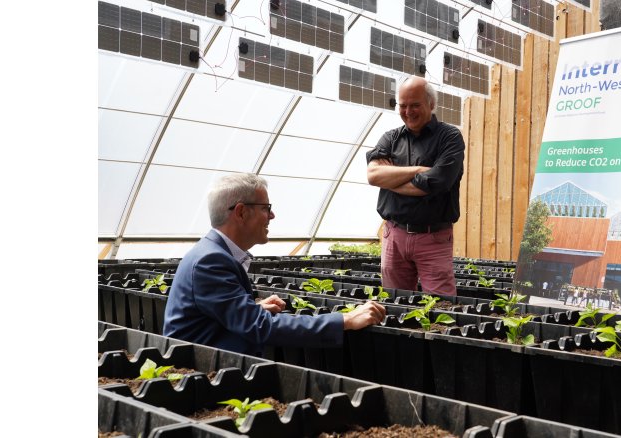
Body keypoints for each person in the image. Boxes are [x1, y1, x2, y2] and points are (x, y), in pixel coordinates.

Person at [164, 173, 386, 356]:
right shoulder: (210, 261)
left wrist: (252, 309)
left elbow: (216, 317)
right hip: (201, 374)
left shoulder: (212, 253)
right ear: (241, 212)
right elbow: (262, 327)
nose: (272, 215)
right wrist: (345, 319)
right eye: (265, 207)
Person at [365, 76, 465, 296]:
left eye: (415, 105)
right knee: (394, 305)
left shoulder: (450, 137)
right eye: (403, 105)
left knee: (441, 308)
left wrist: (391, 179)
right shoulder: (390, 138)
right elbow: (373, 175)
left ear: (431, 104)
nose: (408, 111)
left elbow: (435, 183)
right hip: (394, 235)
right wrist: (418, 171)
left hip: (433, 238)